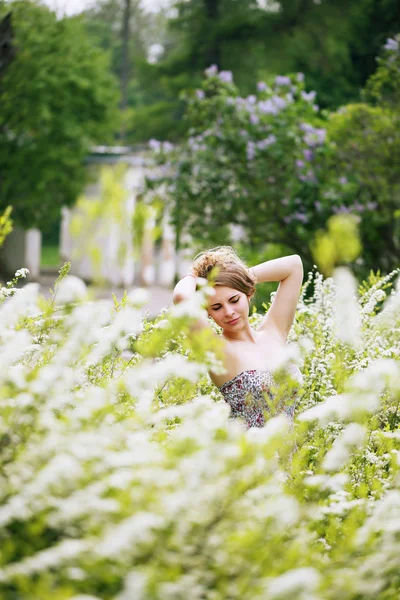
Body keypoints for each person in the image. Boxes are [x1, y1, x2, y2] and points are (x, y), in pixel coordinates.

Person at [173, 246, 304, 428]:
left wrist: (237, 277)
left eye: (234, 300)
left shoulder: (274, 332)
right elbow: (181, 297)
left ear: (248, 294)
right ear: (208, 313)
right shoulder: (218, 350)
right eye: (217, 307)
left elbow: (294, 265)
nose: (229, 312)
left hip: (289, 454)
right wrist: (194, 277)